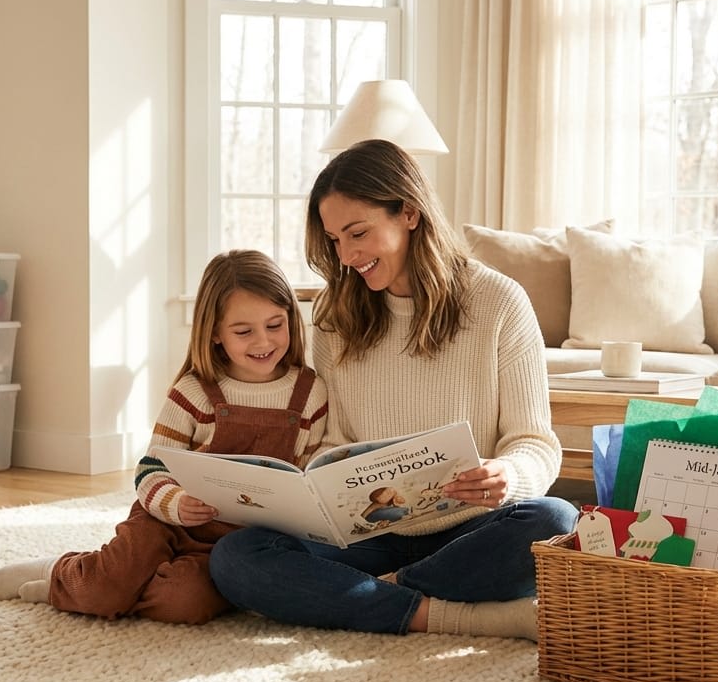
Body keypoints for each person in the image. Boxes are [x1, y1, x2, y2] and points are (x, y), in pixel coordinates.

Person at [208, 139, 578, 640]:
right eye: (336, 239)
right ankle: (443, 613)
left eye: (357, 233)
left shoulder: (499, 302)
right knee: (236, 557)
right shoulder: (334, 318)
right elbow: (336, 442)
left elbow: (535, 441)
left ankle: (366, 595)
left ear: (408, 212)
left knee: (554, 519)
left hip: (471, 527)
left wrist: (507, 475)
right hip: (372, 533)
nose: (347, 255)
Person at [0, 249, 328, 625]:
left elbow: (306, 477)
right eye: (244, 331)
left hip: (234, 544)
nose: (263, 342)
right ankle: (64, 576)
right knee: (106, 587)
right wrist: (176, 503)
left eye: (275, 325)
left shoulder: (310, 394)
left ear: (293, 320)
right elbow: (150, 469)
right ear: (214, 333)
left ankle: (105, 581)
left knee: (182, 605)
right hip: (164, 522)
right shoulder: (196, 391)